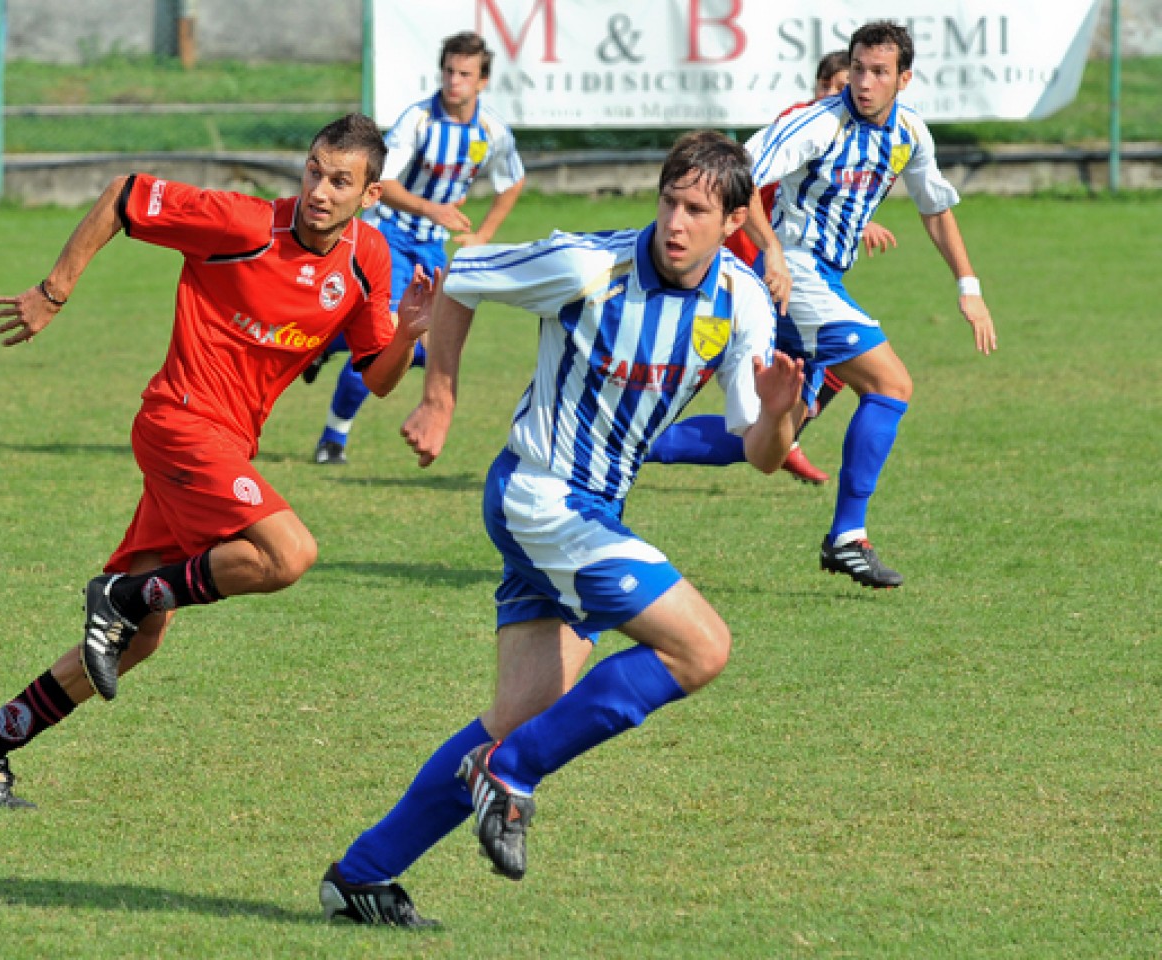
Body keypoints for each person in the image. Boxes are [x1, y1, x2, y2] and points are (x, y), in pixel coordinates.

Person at [318, 130, 804, 926]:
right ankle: (511, 774)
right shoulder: (588, 266)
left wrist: (782, 418)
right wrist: (440, 397)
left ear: (735, 220)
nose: (677, 223)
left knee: (517, 712)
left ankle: (364, 873)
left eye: (697, 210)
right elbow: (463, 278)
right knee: (701, 646)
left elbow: (757, 451)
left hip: (592, 512)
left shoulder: (744, 301)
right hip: (542, 496)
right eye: (669, 202)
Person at [0, 114, 437, 808]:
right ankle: (120, 597)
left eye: (341, 180)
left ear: (370, 193)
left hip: (224, 446)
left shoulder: (369, 260)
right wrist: (54, 291)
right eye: (315, 170)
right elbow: (122, 195)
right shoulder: (245, 224)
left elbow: (376, 378)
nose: (321, 189)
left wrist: (410, 335)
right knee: (289, 553)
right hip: (179, 423)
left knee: (137, 643)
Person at [747, 20, 996, 588]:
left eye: (879, 72)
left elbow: (934, 208)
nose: (864, 82)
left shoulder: (908, 132)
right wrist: (772, 253)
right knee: (891, 384)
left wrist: (969, 287)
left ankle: (639, 445)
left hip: (824, 278)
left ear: (903, 79)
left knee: (771, 437)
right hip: (798, 273)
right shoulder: (817, 124)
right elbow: (741, 173)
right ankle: (847, 538)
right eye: (858, 68)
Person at [647, 50, 899, 486]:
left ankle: (630, 441)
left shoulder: (850, 138)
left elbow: (826, 198)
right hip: (755, 273)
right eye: (835, 86)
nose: (848, 94)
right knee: (771, 415)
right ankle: (625, 440)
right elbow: (748, 179)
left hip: (781, 277)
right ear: (820, 89)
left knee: (777, 419)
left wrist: (859, 220)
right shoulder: (803, 123)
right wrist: (772, 252)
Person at [309, 31, 526, 465]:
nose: (454, 81)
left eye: (465, 74)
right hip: (390, 236)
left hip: (432, 248)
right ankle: (333, 439)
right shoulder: (419, 120)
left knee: (425, 349)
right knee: (386, 339)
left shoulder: (491, 130)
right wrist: (433, 210)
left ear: (482, 81)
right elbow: (380, 184)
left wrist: (482, 235)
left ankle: (321, 344)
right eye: (449, 71)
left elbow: (514, 181)